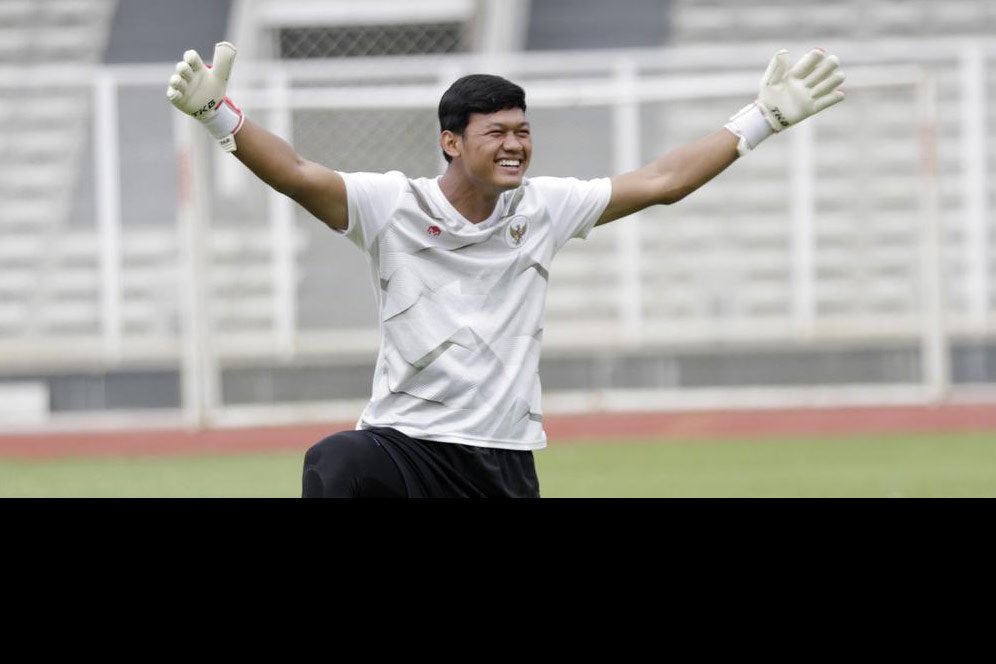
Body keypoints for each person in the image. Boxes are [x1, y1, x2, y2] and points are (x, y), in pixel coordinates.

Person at [166, 42, 845, 498]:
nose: (516, 144)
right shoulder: (391, 205)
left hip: (501, 460)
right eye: (498, 132)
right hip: (407, 443)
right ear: (452, 141)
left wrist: (762, 118)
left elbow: (664, 180)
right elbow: (293, 173)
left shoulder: (544, 208)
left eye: (522, 130)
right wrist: (215, 111)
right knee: (337, 463)